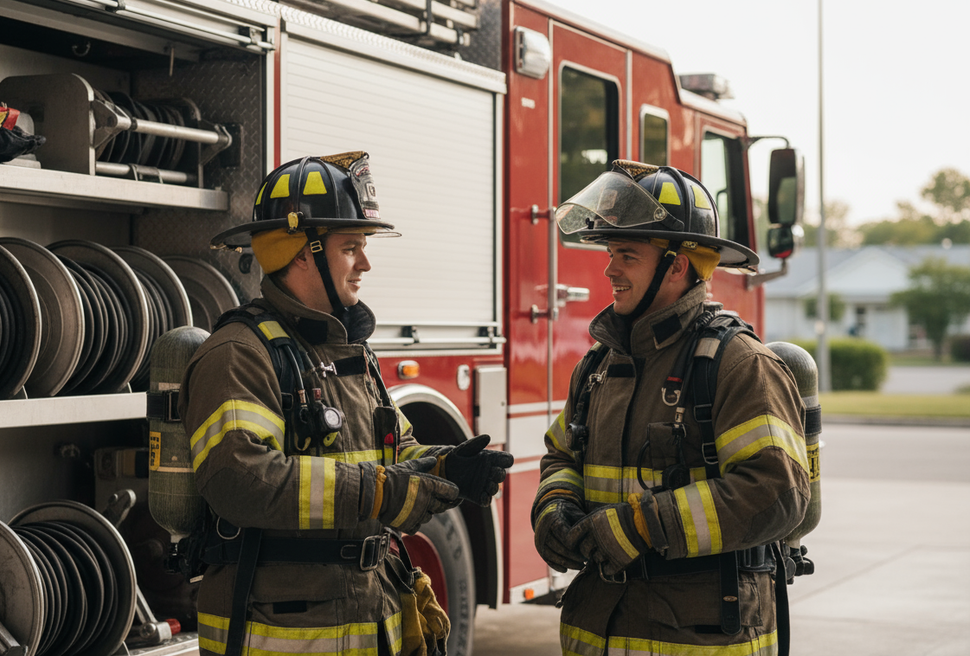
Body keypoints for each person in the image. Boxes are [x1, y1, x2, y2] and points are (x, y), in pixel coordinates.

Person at [179, 151, 513, 656]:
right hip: (282, 636)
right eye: (351, 247)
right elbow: (239, 480)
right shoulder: (238, 354)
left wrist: (446, 468)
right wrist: (382, 493)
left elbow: (392, 454)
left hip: (363, 621)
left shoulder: (347, 352)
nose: (365, 263)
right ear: (301, 252)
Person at [532, 160, 810, 656]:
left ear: (677, 266)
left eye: (627, 255)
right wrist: (555, 507)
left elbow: (776, 492)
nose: (610, 269)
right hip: (599, 630)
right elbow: (561, 454)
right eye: (611, 253)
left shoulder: (738, 364)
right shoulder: (599, 365)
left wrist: (641, 526)